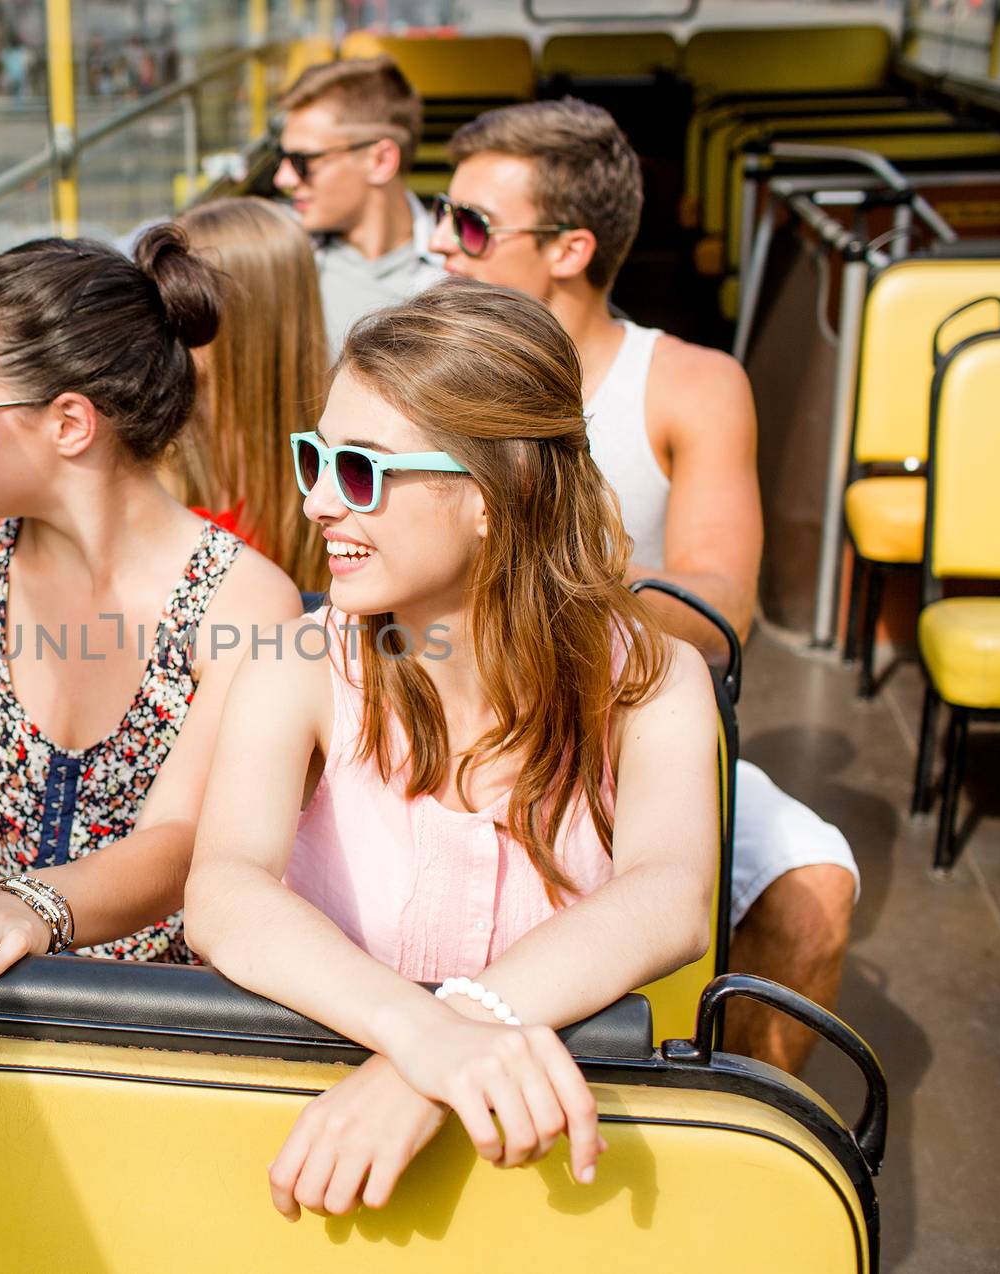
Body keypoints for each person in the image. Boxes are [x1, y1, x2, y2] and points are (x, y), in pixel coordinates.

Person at [185, 281, 719, 1219]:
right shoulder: (301, 666)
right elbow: (224, 893)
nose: (315, 501)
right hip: (314, 1153)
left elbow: (669, 899)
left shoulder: (654, 684)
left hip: (551, 1164)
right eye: (315, 459)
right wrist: (424, 1038)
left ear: (493, 494)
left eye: (360, 472)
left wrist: (437, 1049)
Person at [430, 98, 859, 1073]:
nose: (440, 246)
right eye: (440, 216)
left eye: (468, 226)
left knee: (812, 883)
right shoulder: (421, 364)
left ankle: (736, 1136)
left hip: (622, 725)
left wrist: (532, 569)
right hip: (440, 712)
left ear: (570, 248)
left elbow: (717, 607)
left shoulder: (687, 383)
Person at [0, 228, 302, 1018]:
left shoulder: (246, 602)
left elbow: (176, 845)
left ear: (69, 423)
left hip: (144, 1011)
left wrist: (18, 914)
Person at [171, 196, 330, 593]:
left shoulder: (342, 461)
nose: (159, 318)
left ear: (247, 317)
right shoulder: (150, 442)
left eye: (181, 300)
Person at [273, 57, 444, 356]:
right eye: (281, 157)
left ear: (380, 161)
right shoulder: (275, 257)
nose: (282, 178)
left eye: (303, 161)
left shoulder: (459, 274)